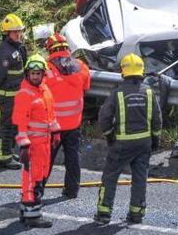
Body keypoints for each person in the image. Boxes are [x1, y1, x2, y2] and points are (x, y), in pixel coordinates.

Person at [94, 53, 162, 226]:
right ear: (142, 72)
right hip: (143, 143)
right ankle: (136, 214)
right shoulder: (149, 92)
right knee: (140, 178)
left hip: (121, 144)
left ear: (123, 72)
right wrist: (155, 138)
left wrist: (109, 135)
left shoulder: (117, 93)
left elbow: (104, 117)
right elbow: (157, 118)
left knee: (110, 176)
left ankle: (104, 214)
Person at [12, 54, 60, 228]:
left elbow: (51, 115)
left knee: (39, 178)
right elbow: (20, 122)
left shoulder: (45, 91)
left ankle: (26, 214)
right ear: (27, 74)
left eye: (38, 74)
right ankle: (32, 217)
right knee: (32, 180)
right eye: (32, 73)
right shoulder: (25, 94)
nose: (35, 76)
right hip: (32, 146)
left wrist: (56, 132)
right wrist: (24, 145)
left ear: (43, 75)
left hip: (44, 145)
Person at [42, 33, 90, 199]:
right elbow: (86, 86)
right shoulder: (81, 66)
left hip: (53, 126)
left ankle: (37, 190)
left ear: (50, 50)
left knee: (46, 159)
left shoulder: (46, 69)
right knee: (73, 157)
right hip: (74, 124)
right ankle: (71, 190)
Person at [0, 13, 27, 170]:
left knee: (14, 126)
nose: (18, 34)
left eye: (20, 31)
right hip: (8, 96)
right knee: (7, 126)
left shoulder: (17, 48)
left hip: (17, 95)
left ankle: (8, 152)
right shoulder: (4, 52)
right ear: (6, 33)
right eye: (14, 32)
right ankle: (3, 156)